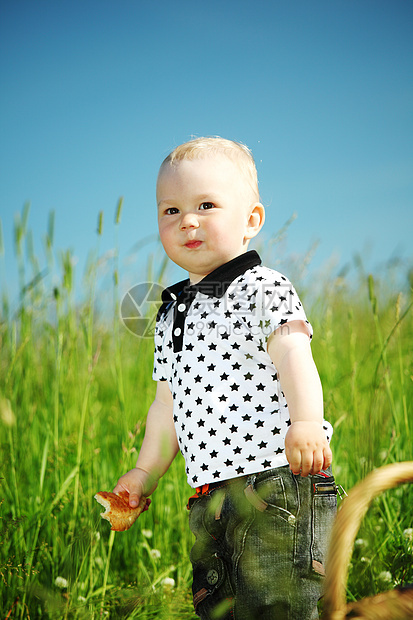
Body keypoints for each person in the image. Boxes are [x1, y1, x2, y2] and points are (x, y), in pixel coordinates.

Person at [114, 137, 337, 619]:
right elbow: (166, 406)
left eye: (205, 205)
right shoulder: (171, 314)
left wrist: (307, 422)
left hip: (278, 480)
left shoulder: (262, 287)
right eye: (171, 210)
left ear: (251, 221)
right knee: (221, 607)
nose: (187, 221)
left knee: (281, 603)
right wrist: (144, 473)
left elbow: (295, 356)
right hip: (209, 498)